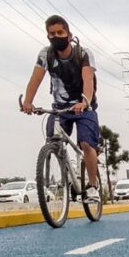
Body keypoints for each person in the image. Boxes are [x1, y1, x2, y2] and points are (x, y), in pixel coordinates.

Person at [21, 15, 100, 203]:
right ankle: (69, 173)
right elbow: (36, 79)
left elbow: (88, 81)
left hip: (84, 107)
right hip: (60, 109)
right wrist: (28, 101)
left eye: (60, 32)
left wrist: (84, 101)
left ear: (69, 34)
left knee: (86, 144)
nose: (56, 36)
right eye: (51, 34)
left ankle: (92, 186)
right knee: (52, 141)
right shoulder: (45, 55)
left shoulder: (83, 54)